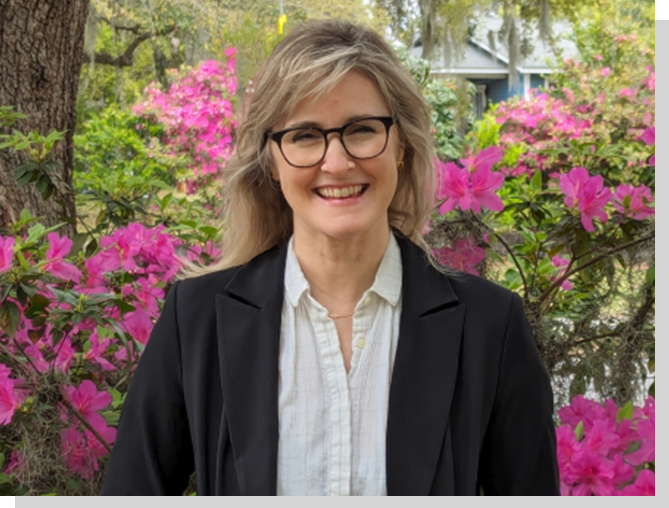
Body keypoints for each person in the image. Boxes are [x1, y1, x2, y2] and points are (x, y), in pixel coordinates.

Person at [100, 19, 559, 496]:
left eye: (361, 130)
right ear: (272, 162)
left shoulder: (490, 327)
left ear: (400, 145)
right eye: (304, 136)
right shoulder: (195, 321)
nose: (336, 162)